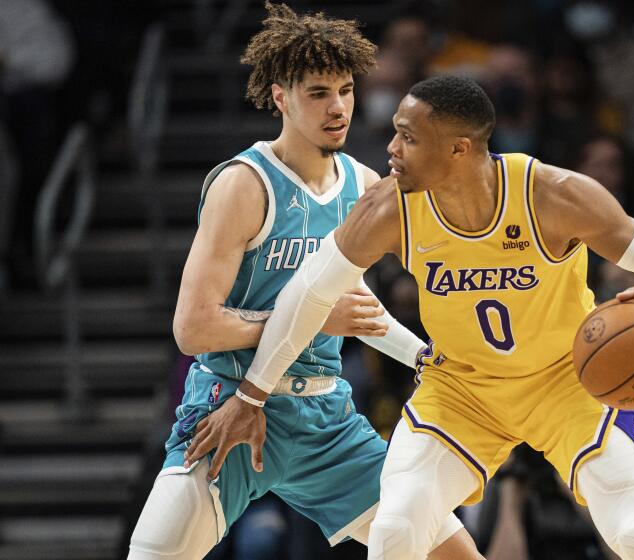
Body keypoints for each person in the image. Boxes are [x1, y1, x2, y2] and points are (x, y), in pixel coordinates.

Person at [187, 75, 634, 559]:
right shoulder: (388, 209)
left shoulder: (552, 194)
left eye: (408, 138)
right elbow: (307, 296)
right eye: (394, 133)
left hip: (567, 382)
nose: (390, 150)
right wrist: (252, 394)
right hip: (463, 389)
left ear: (459, 148)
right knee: (396, 529)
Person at [128, 5, 480, 559]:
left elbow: (359, 312)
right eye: (318, 93)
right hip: (232, 411)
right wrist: (315, 316)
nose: (337, 107)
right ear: (280, 98)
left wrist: (424, 358)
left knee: (456, 555)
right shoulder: (244, 185)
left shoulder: (362, 186)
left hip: (325, 421)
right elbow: (194, 328)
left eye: (345, 89)